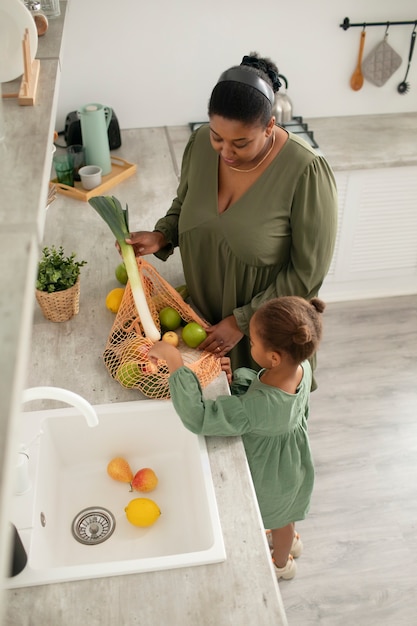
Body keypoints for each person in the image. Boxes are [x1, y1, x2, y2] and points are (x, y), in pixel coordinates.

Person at [127, 52, 337, 378]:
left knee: (255, 424)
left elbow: (308, 274)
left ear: (269, 126)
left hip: (266, 340)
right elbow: (185, 203)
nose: (225, 152)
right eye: (217, 136)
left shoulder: (306, 171)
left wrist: (243, 321)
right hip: (200, 323)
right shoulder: (198, 144)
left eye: (240, 143)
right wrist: (162, 235)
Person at [148, 295, 325, 580]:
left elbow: (199, 417)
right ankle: (289, 541)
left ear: (274, 357)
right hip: (293, 463)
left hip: (271, 477)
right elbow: (265, 391)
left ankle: (282, 565)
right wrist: (241, 380)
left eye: (253, 343)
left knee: (279, 519)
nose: (250, 346)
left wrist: (175, 364)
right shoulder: (301, 370)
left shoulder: (256, 409)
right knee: (285, 515)